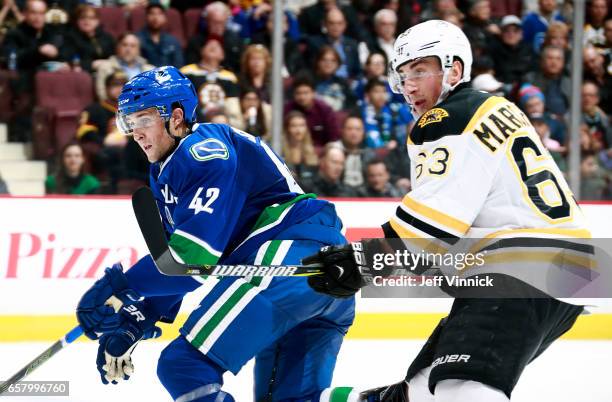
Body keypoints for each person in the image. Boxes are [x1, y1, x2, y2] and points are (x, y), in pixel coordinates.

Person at [304, 20, 590, 401]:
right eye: (403, 74)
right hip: (570, 269)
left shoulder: (445, 120)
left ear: (454, 70)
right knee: (421, 392)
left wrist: (359, 262)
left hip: (521, 267)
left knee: (462, 389)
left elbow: (429, 231)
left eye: (420, 70)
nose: (409, 85)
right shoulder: (497, 108)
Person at [74, 66, 354, 401]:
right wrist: (136, 319)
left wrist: (116, 285)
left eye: (144, 119)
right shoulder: (168, 167)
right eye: (129, 122)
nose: (135, 132)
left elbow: (189, 261)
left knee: (184, 367)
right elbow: (175, 264)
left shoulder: (202, 151)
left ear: (176, 117)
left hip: (288, 258)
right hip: (325, 275)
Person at [136, 3, 184, 68]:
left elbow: (179, 65)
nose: (155, 17)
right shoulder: (137, 39)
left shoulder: (172, 41)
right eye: (152, 13)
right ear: (146, 17)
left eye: (159, 14)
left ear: (165, 18)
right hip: (146, 75)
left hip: (169, 76)